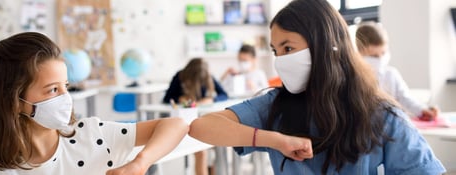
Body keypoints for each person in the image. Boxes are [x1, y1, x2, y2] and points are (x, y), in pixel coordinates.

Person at [189, 0, 446, 174]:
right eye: (275, 51)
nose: (280, 61)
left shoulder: (382, 115)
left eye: (288, 48)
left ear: (326, 45)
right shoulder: (274, 104)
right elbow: (202, 127)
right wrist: (275, 140)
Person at [0, 32, 188, 174]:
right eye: (53, 89)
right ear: (13, 100)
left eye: (66, 87)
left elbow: (175, 125)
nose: (65, 98)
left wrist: (140, 162)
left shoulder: (92, 136)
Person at [356, 22, 439, 121]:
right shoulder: (355, 77)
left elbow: (406, 98)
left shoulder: (391, 74)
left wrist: (423, 109)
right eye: (374, 56)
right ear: (359, 54)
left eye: (384, 53)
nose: (381, 59)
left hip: (392, 124)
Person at [162, 58, 228, 175]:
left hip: (203, 120)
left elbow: (224, 95)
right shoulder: (180, 76)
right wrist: (179, 99)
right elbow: (167, 98)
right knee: (201, 152)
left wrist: (211, 99)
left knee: (213, 148)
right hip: (185, 121)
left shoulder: (207, 76)